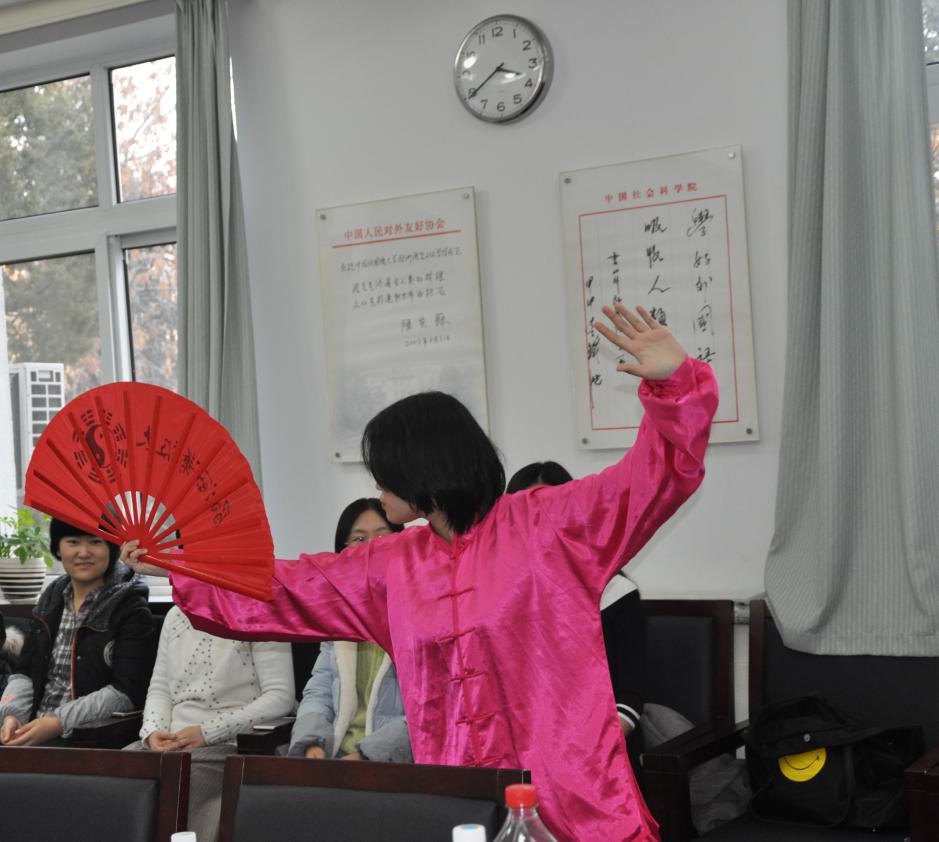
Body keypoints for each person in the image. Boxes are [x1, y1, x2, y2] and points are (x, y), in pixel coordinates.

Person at [127, 304, 718, 840]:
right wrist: (183, 562)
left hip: (569, 800)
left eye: (384, 470)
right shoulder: (389, 565)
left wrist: (675, 384)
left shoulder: (549, 523)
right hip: (454, 799)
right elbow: (281, 587)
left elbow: (653, 478)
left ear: (422, 467)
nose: (377, 485)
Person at [508, 460, 647, 776]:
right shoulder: (498, 595)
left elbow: (628, 701)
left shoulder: (614, 593)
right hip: (518, 749)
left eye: (548, 508)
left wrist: (575, 753)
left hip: (598, 753)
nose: (536, 523)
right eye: (523, 512)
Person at [127, 606, 293, 842]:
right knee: (118, 775)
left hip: (230, 746)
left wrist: (207, 733)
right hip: (171, 744)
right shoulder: (176, 615)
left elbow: (280, 697)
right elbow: (161, 687)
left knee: (182, 785)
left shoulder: (261, 611)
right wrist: (153, 731)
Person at [0, 517, 155, 746]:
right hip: (31, 728)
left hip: (89, 737)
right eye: (73, 542)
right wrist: (11, 715)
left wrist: (58, 722)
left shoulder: (131, 609)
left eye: (95, 542)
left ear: (111, 548)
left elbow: (127, 693)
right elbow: (24, 673)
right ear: (58, 549)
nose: (83, 552)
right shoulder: (49, 602)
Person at [288, 498, 412, 763]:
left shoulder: (419, 612)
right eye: (359, 539)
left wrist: (366, 756)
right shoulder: (339, 615)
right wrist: (312, 744)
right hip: (338, 757)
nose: (371, 547)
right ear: (343, 551)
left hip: (394, 764)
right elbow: (319, 691)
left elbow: (427, 712)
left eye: (382, 536)